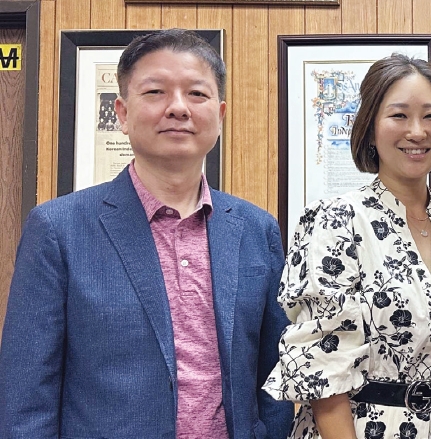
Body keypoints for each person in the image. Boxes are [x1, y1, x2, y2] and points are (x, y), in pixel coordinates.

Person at [0, 29, 294, 438]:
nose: (178, 108)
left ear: (221, 115)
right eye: (155, 92)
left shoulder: (257, 229)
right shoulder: (58, 228)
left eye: (197, 94)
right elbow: (26, 396)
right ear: (121, 113)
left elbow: (275, 369)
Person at [264, 54, 431, 439]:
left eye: (430, 116)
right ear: (371, 127)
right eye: (399, 116)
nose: (417, 131)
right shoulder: (333, 220)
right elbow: (324, 370)